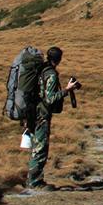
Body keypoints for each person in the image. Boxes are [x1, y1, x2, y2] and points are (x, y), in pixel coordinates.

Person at [27, 46, 79, 189]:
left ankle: (32, 179)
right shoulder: (51, 74)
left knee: (35, 146)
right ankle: (35, 182)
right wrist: (67, 90)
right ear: (59, 59)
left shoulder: (41, 70)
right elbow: (49, 99)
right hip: (42, 115)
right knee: (40, 148)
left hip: (33, 113)